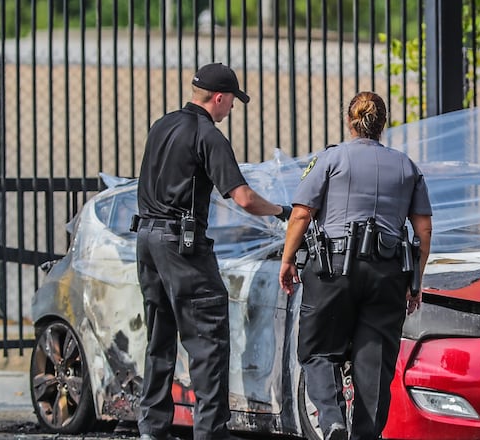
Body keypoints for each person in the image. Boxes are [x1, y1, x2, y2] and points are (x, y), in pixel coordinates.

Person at [134, 62, 291, 440]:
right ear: (218, 98)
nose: (232, 109)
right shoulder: (208, 135)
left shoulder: (162, 125)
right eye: (232, 101)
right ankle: (211, 432)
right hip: (181, 247)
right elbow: (244, 197)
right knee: (208, 341)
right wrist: (283, 211)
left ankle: (151, 429)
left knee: (160, 338)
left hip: (147, 240)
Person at [279, 91, 432, 440]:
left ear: (350, 122)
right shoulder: (407, 166)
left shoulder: (331, 159)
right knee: (374, 363)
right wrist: (416, 281)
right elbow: (423, 229)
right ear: (383, 125)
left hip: (333, 270)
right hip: (388, 274)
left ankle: (332, 420)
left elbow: (302, 212)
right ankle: (365, 434)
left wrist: (288, 261)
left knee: (318, 350)